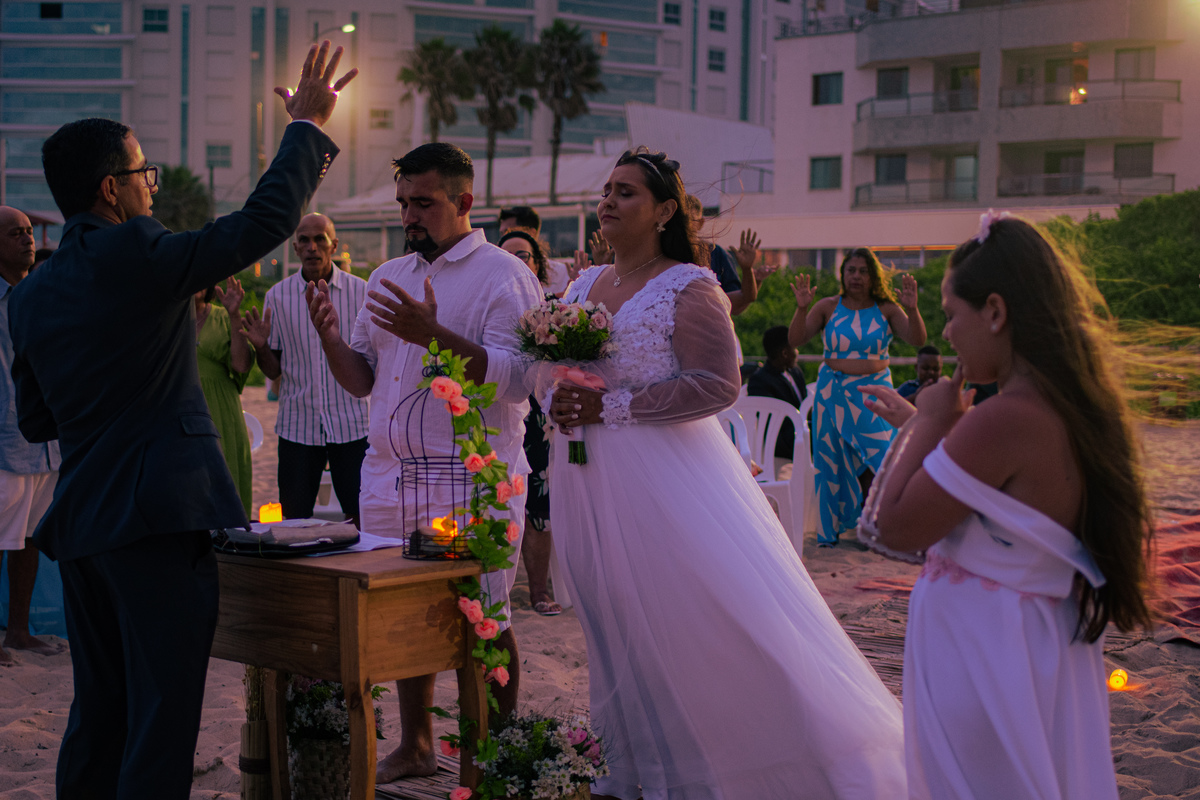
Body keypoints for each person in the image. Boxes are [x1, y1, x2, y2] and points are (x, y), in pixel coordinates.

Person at [7, 43, 354, 797]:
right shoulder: (139, 251)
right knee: (163, 714)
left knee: (100, 711)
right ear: (111, 188)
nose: (152, 188)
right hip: (160, 519)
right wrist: (304, 128)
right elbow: (262, 221)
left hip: (84, 525)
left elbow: (36, 421)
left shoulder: (30, 293)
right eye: (145, 175)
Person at [542, 147, 906, 799]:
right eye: (607, 189)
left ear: (664, 212)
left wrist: (611, 405)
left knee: (690, 622)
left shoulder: (689, 285)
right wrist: (558, 392)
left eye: (626, 191)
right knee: (613, 620)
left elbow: (717, 384)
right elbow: (546, 365)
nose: (608, 201)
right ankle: (635, 767)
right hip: (587, 476)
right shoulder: (581, 284)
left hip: (665, 481)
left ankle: (739, 764)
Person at [858, 214, 1154, 800]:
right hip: (1029, 648)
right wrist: (930, 424)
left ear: (995, 312)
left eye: (951, 314)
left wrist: (928, 423)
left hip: (985, 659)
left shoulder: (1003, 419)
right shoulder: (1066, 409)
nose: (947, 333)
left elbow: (887, 527)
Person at [306, 142, 543, 783]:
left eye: (424, 202)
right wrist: (330, 339)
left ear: (464, 201)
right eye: (403, 202)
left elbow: (519, 380)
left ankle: (490, 755)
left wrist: (433, 335)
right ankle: (415, 744)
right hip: (388, 478)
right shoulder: (391, 273)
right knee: (406, 616)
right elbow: (363, 379)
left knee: (483, 616)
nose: (410, 215)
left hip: (472, 479)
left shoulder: (503, 275)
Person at [788, 248, 927, 546]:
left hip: (873, 394)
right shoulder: (827, 306)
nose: (856, 276)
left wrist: (913, 309)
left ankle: (886, 526)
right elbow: (796, 339)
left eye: (863, 271)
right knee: (830, 461)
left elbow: (917, 339)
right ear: (843, 274)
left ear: (873, 276)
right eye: (851, 270)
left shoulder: (887, 309)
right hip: (833, 393)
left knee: (883, 457)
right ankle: (830, 534)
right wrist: (801, 309)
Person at [243, 213, 369, 526]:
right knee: (294, 520)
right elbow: (273, 371)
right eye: (304, 240)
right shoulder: (278, 297)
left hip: (353, 423)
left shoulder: (361, 292)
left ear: (334, 245)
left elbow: (371, 359)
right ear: (295, 248)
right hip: (298, 426)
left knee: (361, 517)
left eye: (320, 239)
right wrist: (261, 346)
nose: (312, 247)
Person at [0, 207, 61, 667]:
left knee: (30, 538)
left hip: (45, 441)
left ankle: (18, 632)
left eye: (28, 232)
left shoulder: (42, 293)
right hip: (5, 440)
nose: (27, 239)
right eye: (15, 233)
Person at [498, 228, 561, 616]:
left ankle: (538, 591)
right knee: (502, 497)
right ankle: (497, 592)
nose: (517, 262)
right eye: (508, 255)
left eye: (523, 255)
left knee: (538, 501)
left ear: (537, 263)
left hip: (540, 413)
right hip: (501, 410)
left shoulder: (555, 308)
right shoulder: (493, 304)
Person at [195, 277, 255, 516]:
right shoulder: (167, 319)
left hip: (222, 411)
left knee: (226, 478)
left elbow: (240, 365)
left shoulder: (223, 317)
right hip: (181, 408)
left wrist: (234, 314)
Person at [747, 325, 809, 465]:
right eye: (794, 348)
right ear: (784, 353)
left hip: (803, 431)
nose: (797, 352)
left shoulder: (795, 372)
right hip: (782, 443)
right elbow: (772, 423)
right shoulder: (760, 381)